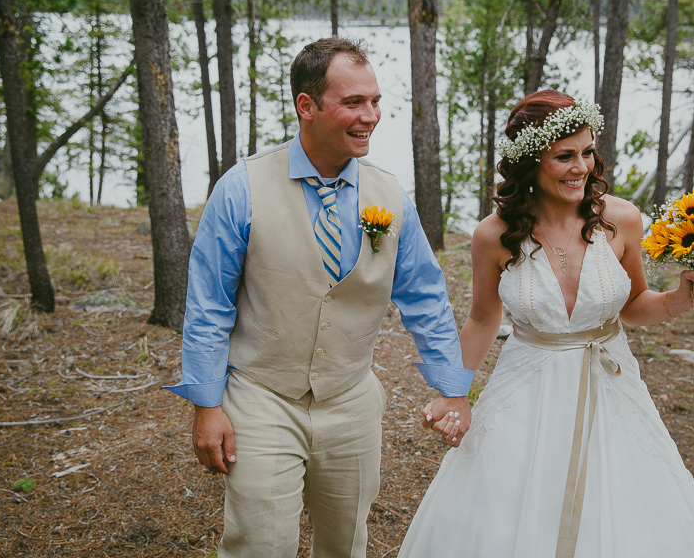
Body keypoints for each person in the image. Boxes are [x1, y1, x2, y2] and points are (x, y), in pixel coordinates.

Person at [164, 37, 473, 558]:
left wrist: (452, 387)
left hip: (351, 401)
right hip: (261, 398)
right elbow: (208, 306)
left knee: (346, 543)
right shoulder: (241, 188)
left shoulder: (390, 197)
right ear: (306, 106)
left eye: (375, 101)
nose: (370, 116)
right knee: (258, 544)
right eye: (353, 102)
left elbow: (425, 298)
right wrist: (206, 405)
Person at [399, 90, 694, 557]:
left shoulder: (621, 220)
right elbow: (481, 319)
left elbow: (634, 305)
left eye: (588, 152)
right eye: (564, 156)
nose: (582, 167)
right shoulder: (492, 236)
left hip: (611, 384)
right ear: (530, 160)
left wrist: (681, 297)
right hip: (527, 385)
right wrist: (453, 392)